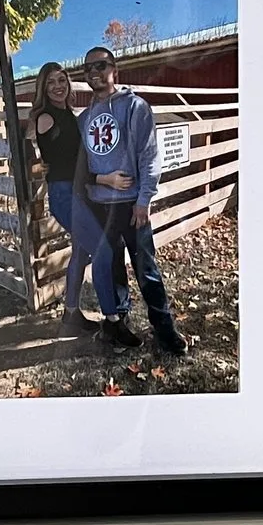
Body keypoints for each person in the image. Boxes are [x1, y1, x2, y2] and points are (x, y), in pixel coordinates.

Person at [76, 44, 187, 356]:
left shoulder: (135, 107)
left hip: (131, 204)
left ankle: (165, 329)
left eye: (101, 65)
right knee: (113, 268)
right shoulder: (84, 120)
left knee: (146, 268)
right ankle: (120, 323)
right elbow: (79, 164)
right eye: (88, 68)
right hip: (100, 206)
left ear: (115, 70)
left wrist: (144, 199)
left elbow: (149, 155)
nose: (94, 72)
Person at [26, 61, 105, 322]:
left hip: (78, 190)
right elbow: (32, 151)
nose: (57, 86)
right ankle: (113, 316)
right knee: (102, 250)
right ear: (43, 88)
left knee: (81, 251)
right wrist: (37, 166)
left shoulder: (68, 114)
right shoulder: (45, 117)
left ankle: (71, 312)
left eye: (61, 80)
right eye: (50, 82)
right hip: (64, 194)